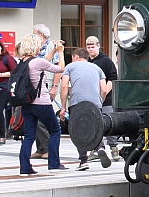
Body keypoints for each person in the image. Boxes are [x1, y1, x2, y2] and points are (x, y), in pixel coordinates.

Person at [15, 34, 66, 174]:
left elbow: (44, 62)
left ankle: (25, 167)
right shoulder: (37, 62)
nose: (41, 47)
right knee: (55, 131)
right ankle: (54, 163)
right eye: (39, 45)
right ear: (34, 46)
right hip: (41, 103)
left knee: (29, 135)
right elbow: (60, 68)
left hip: (27, 103)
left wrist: (53, 50)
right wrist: (61, 52)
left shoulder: (23, 62)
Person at [60, 48, 110, 170]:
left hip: (77, 102)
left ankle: (83, 161)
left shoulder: (70, 67)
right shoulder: (97, 68)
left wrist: (63, 107)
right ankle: (100, 148)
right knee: (96, 126)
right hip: (95, 102)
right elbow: (103, 89)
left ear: (76, 57)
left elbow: (65, 86)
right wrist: (100, 101)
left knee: (79, 130)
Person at [85, 36, 120, 160]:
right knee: (94, 124)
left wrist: (103, 94)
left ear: (98, 46)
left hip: (107, 99)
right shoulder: (87, 62)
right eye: (88, 47)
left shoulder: (105, 61)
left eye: (92, 47)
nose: (90, 50)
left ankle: (114, 149)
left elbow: (112, 78)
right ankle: (97, 149)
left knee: (109, 123)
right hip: (92, 98)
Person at [31, 24, 61, 159]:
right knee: (36, 119)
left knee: (44, 119)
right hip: (37, 88)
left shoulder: (50, 47)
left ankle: (48, 148)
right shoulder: (38, 48)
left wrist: (54, 86)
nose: (33, 35)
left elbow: (57, 68)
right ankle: (41, 148)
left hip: (47, 86)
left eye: (34, 33)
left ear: (41, 35)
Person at [0, 39, 16, 144]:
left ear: (1, 47)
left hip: (4, 88)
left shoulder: (7, 59)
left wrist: (0, 74)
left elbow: (15, 72)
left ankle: (1, 136)